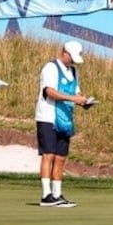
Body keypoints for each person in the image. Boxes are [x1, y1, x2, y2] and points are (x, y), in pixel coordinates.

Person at [36, 41, 94, 207]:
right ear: (65, 53)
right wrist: (73, 99)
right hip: (47, 117)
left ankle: (57, 194)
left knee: (61, 158)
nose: (74, 62)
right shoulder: (51, 68)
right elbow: (49, 91)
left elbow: (76, 91)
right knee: (49, 155)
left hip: (65, 119)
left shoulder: (74, 71)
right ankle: (46, 195)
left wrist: (83, 101)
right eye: (72, 58)